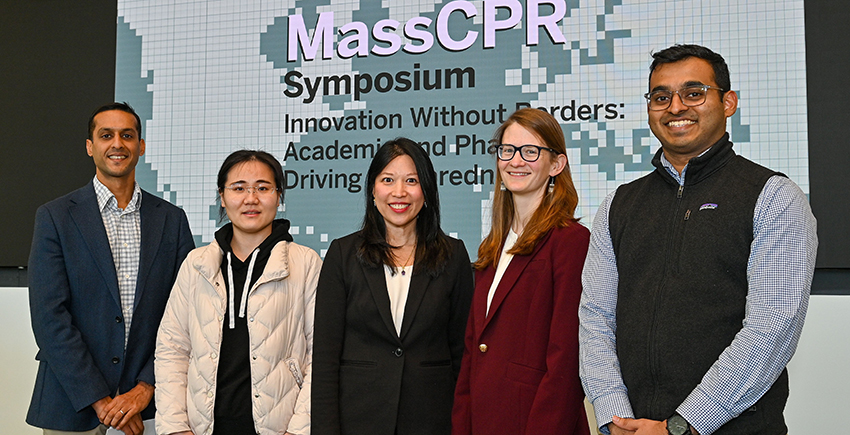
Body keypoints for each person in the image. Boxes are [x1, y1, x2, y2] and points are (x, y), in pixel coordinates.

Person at [579, 44, 818, 435]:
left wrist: (682, 426)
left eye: (693, 93)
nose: (676, 107)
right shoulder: (618, 205)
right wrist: (613, 416)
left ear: (728, 102)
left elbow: (771, 329)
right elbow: (596, 320)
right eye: (661, 97)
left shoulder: (773, 196)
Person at [26, 102, 195, 435]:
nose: (117, 144)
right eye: (106, 135)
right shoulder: (55, 217)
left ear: (141, 146)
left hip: (149, 406)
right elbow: (49, 316)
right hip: (71, 402)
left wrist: (145, 387)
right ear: (90, 147)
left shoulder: (172, 220)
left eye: (127, 135)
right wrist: (100, 400)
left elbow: (186, 312)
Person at [312, 137, 474, 435]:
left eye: (411, 180)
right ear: (373, 191)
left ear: (427, 191)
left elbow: (462, 356)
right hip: (358, 420)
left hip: (431, 421)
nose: (399, 192)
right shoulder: (342, 255)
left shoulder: (454, 256)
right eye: (388, 180)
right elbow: (325, 359)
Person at [155, 150, 319, 435]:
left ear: (279, 196)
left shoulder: (305, 263)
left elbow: (321, 354)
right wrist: (175, 427)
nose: (250, 199)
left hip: (279, 428)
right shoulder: (196, 264)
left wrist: (298, 430)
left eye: (263, 188)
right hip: (203, 428)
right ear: (222, 196)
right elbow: (172, 349)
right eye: (239, 188)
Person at [452, 108, 590, 435]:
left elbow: (566, 361)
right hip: (484, 421)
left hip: (536, 423)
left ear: (556, 164)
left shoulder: (570, 241)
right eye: (507, 150)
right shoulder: (492, 247)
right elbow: (473, 353)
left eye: (530, 151)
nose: (515, 161)